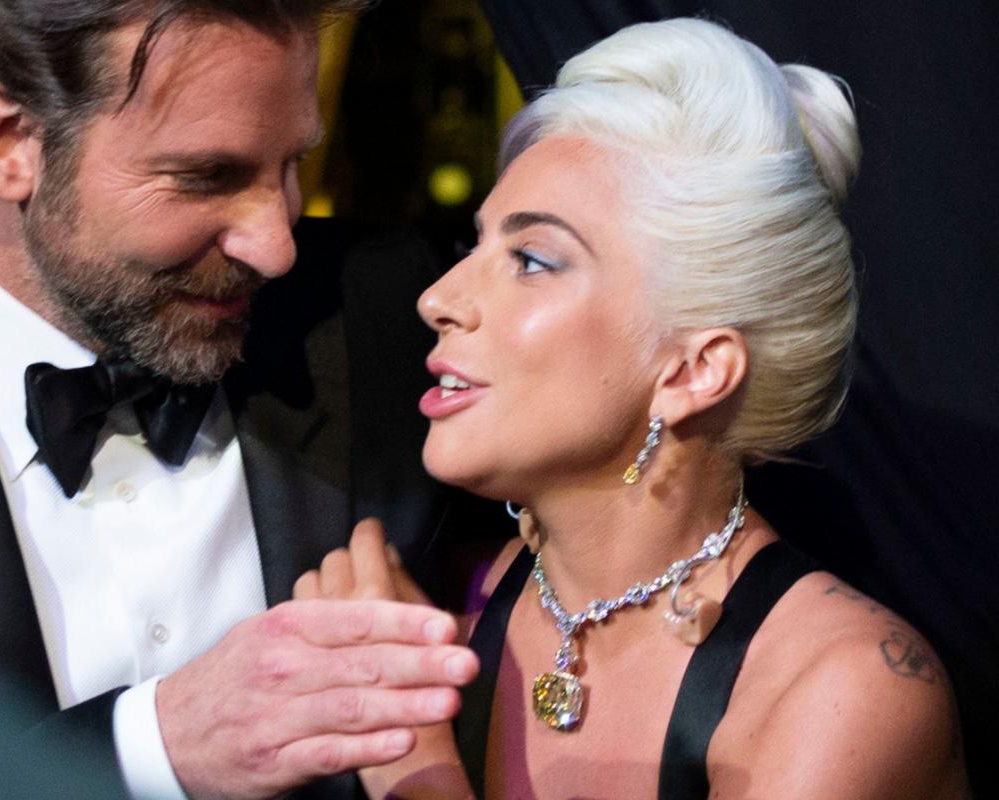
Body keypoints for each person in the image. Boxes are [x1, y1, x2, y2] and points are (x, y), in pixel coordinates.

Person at [0, 1, 489, 797]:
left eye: (292, 165)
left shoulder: (393, 310)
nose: (276, 245)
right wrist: (150, 746)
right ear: (6, 140)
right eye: (207, 176)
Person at [296, 18, 971, 799]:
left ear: (694, 371)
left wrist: (407, 753)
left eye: (531, 260)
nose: (438, 299)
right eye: (472, 249)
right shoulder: (440, 602)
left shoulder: (846, 688)